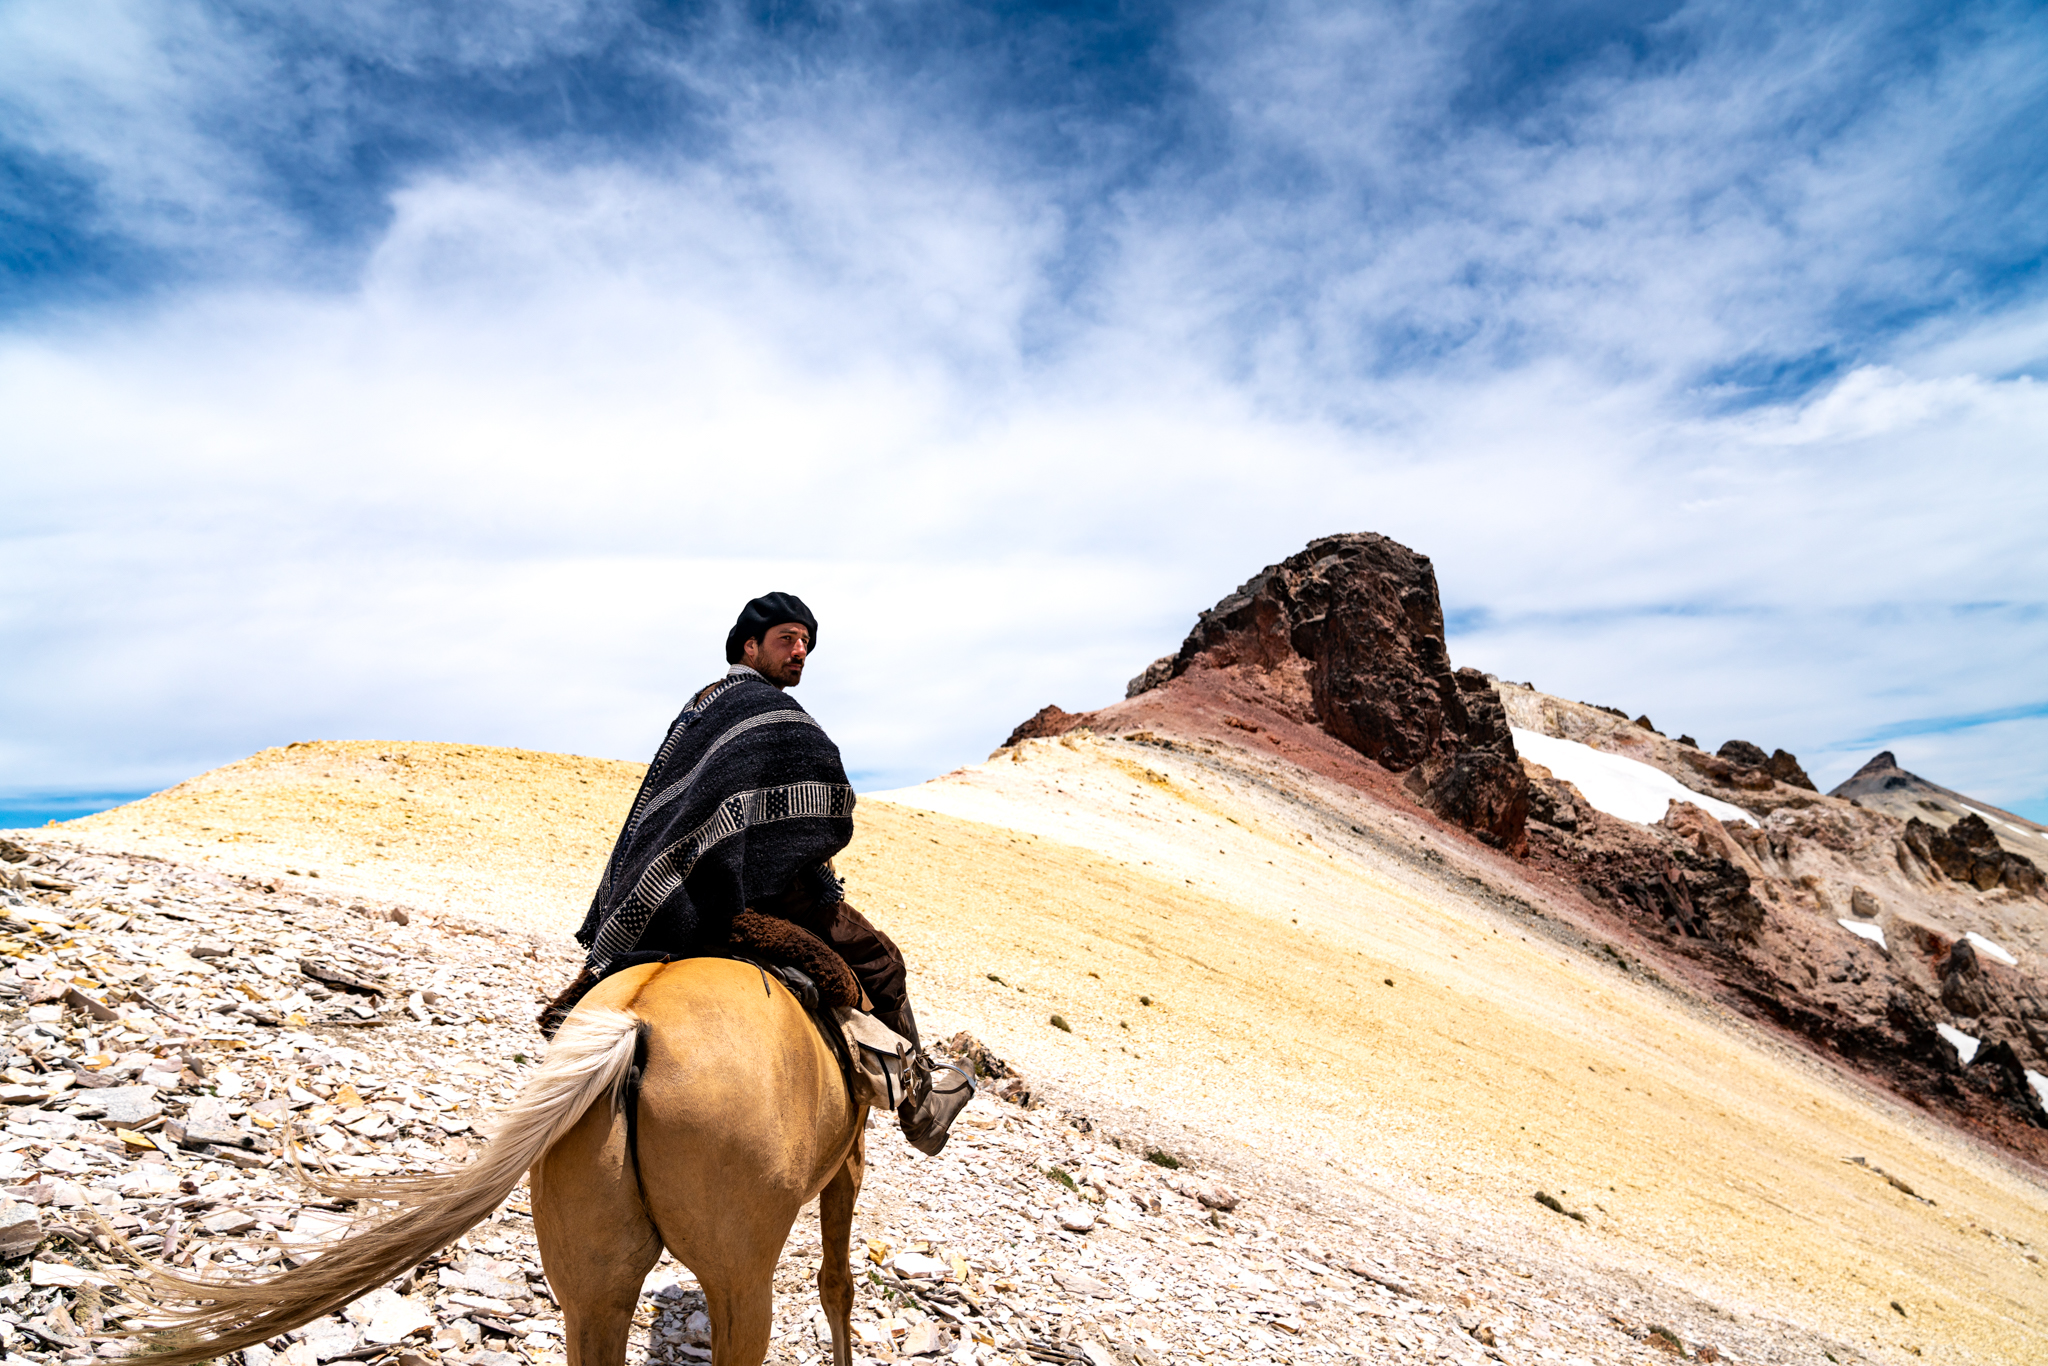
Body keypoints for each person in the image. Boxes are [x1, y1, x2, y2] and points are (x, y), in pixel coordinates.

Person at [541, 592, 970, 1154]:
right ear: (750, 645)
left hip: (679, 890)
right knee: (881, 961)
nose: (799, 652)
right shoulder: (767, 712)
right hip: (754, 898)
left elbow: (666, 810)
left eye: (806, 644)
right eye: (786, 640)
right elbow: (827, 794)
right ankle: (919, 1103)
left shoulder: (701, 708)